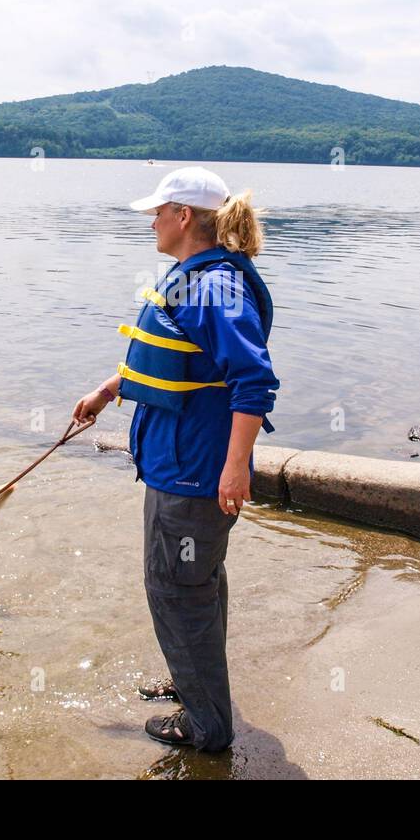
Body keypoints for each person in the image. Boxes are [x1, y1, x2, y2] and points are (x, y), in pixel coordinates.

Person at [71, 166, 279, 753]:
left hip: (194, 473)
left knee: (175, 587)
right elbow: (178, 355)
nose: (153, 223)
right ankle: (195, 681)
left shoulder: (214, 287)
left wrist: (235, 468)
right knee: (198, 582)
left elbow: (253, 381)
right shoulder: (197, 280)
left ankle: (206, 725)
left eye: (158, 213)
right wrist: (111, 389)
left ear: (183, 217)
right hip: (183, 465)